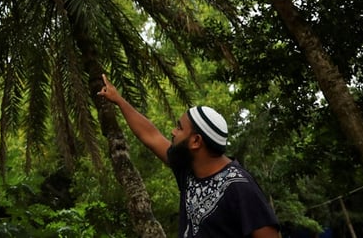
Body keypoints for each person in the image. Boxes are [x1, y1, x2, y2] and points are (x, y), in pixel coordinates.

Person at [97, 74, 280, 238]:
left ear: (196, 141)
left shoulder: (240, 187)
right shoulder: (188, 168)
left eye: (179, 127)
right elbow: (151, 136)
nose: (173, 131)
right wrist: (119, 100)